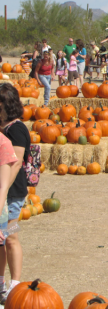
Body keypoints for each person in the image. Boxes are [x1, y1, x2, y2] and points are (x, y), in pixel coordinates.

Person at [0, 83, 31, 304]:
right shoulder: (3, 127)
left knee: (11, 237)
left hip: (13, 195)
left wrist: (2, 192)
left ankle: (15, 284)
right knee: (1, 240)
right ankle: (1, 282)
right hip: (4, 194)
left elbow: (16, 163)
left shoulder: (17, 129)